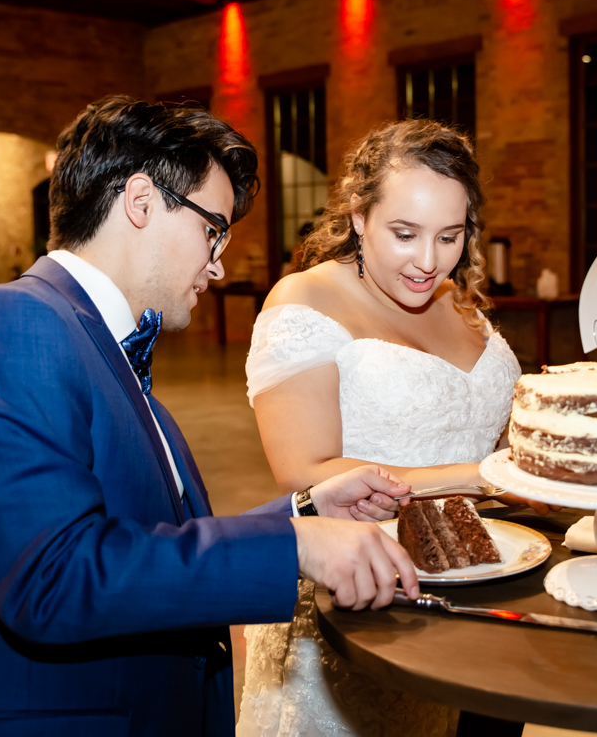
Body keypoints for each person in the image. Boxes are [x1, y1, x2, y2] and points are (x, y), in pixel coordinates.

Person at [0, 95, 421, 737]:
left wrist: (303, 513)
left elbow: (138, 540)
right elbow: (52, 579)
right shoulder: (4, 325)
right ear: (140, 202)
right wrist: (296, 547)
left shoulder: (97, 345)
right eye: (212, 228)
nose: (218, 264)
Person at [237, 120, 528, 737]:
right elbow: (305, 472)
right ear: (358, 215)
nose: (428, 261)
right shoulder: (305, 302)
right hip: (360, 602)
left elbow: (487, 428)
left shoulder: (458, 300)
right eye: (404, 233)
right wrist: (491, 477)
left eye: (449, 236)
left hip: (481, 580)